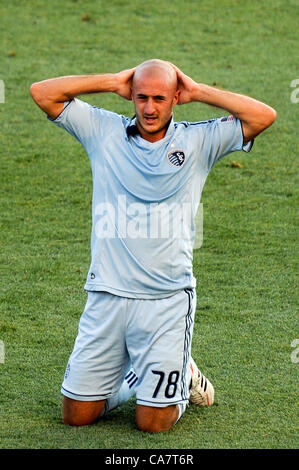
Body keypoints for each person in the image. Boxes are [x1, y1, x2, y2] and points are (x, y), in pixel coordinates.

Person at [30, 59, 276, 433]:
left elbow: (263, 116)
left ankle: (183, 373)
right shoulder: (103, 130)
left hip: (166, 302)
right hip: (106, 296)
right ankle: (136, 378)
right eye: (141, 97)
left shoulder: (198, 141)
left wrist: (199, 91)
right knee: (75, 417)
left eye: (160, 98)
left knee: (152, 425)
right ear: (131, 95)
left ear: (176, 98)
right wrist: (112, 81)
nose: (149, 108)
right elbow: (42, 93)